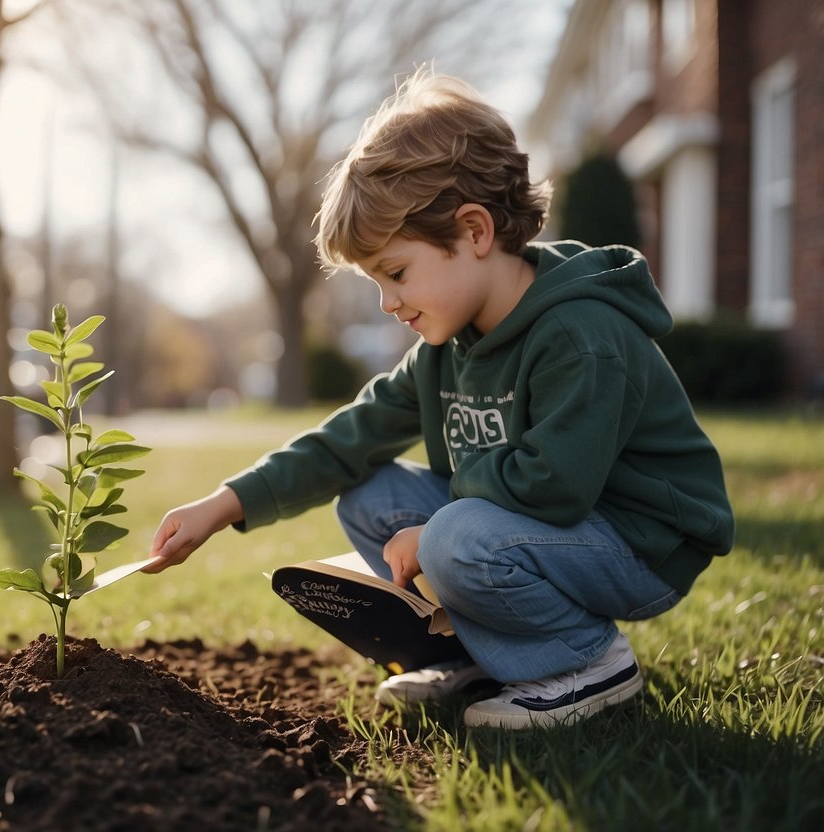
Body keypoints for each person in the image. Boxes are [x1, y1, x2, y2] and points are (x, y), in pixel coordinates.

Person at [142, 67, 734, 729]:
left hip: (639, 542)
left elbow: (555, 484)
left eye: (395, 273)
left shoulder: (580, 333)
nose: (387, 303)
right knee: (369, 496)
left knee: (453, 538)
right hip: (543, 528)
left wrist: (436, 534)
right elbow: (350, 438)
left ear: (474, 232)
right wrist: (221, 506)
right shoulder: (442, 350)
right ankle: (469, 653)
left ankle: (586, 667)